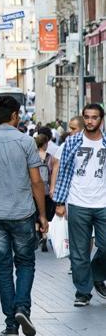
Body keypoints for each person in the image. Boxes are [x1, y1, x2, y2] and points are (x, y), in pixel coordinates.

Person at [0, 95, 47, 336]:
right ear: (15, 115)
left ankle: (11, 324)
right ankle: (22, 308)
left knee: (3, 267)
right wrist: (42, 215)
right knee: (25, 262)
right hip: (23, 213)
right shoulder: (26, 142)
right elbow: (36, 181)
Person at [52, 104, 106, 307]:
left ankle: (96, 273)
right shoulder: (73, 141)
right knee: (79, 250)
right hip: (77, 202)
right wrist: (59, 202)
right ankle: (83, 291)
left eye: (94, 117)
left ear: (101, 119)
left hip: (103, 203)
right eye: (87, 117)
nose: (90, 121)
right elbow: (64, 172)